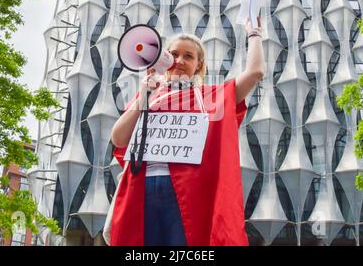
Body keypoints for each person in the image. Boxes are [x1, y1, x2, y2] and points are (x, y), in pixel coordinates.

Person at [109, 18, 265, 246]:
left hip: (188, 193)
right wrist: (142, 95)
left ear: (199, 65)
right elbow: (119, 138)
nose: (179, 61)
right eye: (174, 54)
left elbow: (255, 72)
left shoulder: (213, 96)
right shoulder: (150, 95)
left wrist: (254, 34)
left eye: (189, 56)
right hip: (141, 189)